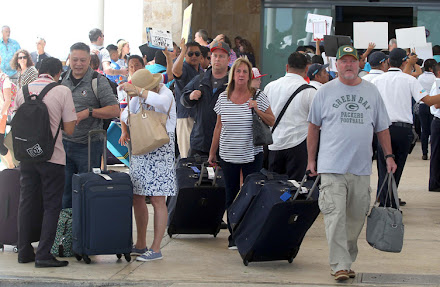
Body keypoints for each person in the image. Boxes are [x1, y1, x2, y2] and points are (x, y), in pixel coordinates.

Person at [307, 45, 397, 281]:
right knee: (335, 217)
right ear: (336, 65)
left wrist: (389, 156)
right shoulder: (324, 92)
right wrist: (311, 160)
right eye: (343, 61)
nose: (348, 65)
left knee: (356, 217)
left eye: (352, 61)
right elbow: (313, 128)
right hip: (331, 166)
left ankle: (346, 258)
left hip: (360, 167)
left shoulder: (372, 92)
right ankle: (339, 264)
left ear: (360, 64)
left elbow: (382, 128)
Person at [16, 57, 77, 268]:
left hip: (26, 156)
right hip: (53, 157)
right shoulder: (62, 91)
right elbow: (69, 129)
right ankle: (43, 254)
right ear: (59, 72)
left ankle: (23, 251)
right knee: (52, 206)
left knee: (26, 202)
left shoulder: (22, 90)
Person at [208, 57, 274, 249]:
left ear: (250, 76)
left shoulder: (258, 96)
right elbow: (218, 126)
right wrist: (212, 152)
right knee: (231, 195)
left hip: (252, 154)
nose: (242, 75)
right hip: (228, 155)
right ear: (233, 75)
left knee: (251, 194)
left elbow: (271, 120)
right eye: (239, 71)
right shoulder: (223, 97)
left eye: (246, 72)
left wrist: (257, 109)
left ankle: (249, 233)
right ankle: (234, 235)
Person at [119, 69, 176, 261]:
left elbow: (162, 103)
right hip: (142, 150)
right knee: (138, 197)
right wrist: (125, 129)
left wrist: (139, 92)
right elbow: (125, 114)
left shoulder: (165, 93)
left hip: (161, 151)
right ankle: (141, 244)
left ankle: (156, 248)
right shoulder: (138, 97)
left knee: (158, 199)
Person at [371, 48, 440, 207]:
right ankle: (390, 204)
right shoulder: (409, 80)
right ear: (404, 62)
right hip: (403, 130)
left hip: (382, 129)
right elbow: (429, 101)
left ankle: (385, 201)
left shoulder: (377, 81)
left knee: (383, 167)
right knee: (397, 167)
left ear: (388, 62)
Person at [60, 42, 120, 209]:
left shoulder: (97, 81)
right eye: (75, 60)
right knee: (65, 193)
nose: (78, 64)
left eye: (83, 60)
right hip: (64, 144)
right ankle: (66, 232)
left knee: (86, 191)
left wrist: (89, 112)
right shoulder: (62, 79)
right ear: (69, 59)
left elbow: (115, 110)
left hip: (89, 146)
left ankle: (85, 232)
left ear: (89, 60)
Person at [264, 52, 317, 181]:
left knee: (274, 186)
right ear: (306, 69)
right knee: (294, 188)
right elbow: (316, 124)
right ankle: (287, 200)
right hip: (298, 145)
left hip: (273, 144)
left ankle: (278, 201)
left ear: (287, 67)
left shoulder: (270, 87)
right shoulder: (310, 91)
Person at [181, 41, 231, 156]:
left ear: (228, 59)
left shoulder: (233, 82)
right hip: (199, 142)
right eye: (215, 56)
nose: (217, 59)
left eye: (221, 56)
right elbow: (183, 99)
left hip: (224, 144)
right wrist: (190, 96)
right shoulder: (199, 79)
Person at [172, 40, 203, 158]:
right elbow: (175, 71)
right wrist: (183, 51)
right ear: (185, 55)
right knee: (187, 156)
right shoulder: (184, 67)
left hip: (198, 118)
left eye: (197, 54)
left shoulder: (201, 71)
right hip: (186, 117)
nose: (194, 56)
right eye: (190, 54)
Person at [418, 59, 437, 160]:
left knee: (424, 130)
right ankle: (433, 151)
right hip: (433, 104)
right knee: (433, 131)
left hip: (422, 104)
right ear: (431, 68)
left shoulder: (420, 77)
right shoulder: (435, 78)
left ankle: (424, 152)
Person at [0, 55, 14, 168]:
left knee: (0, 146)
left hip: (1, 117)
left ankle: (11, 166)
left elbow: (8, 100)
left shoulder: (4, 79)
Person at [429, 62, 440, 191]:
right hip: (438, 120)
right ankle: (435, 183)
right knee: (436, 153)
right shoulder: (437, 83)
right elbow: (437, 104)